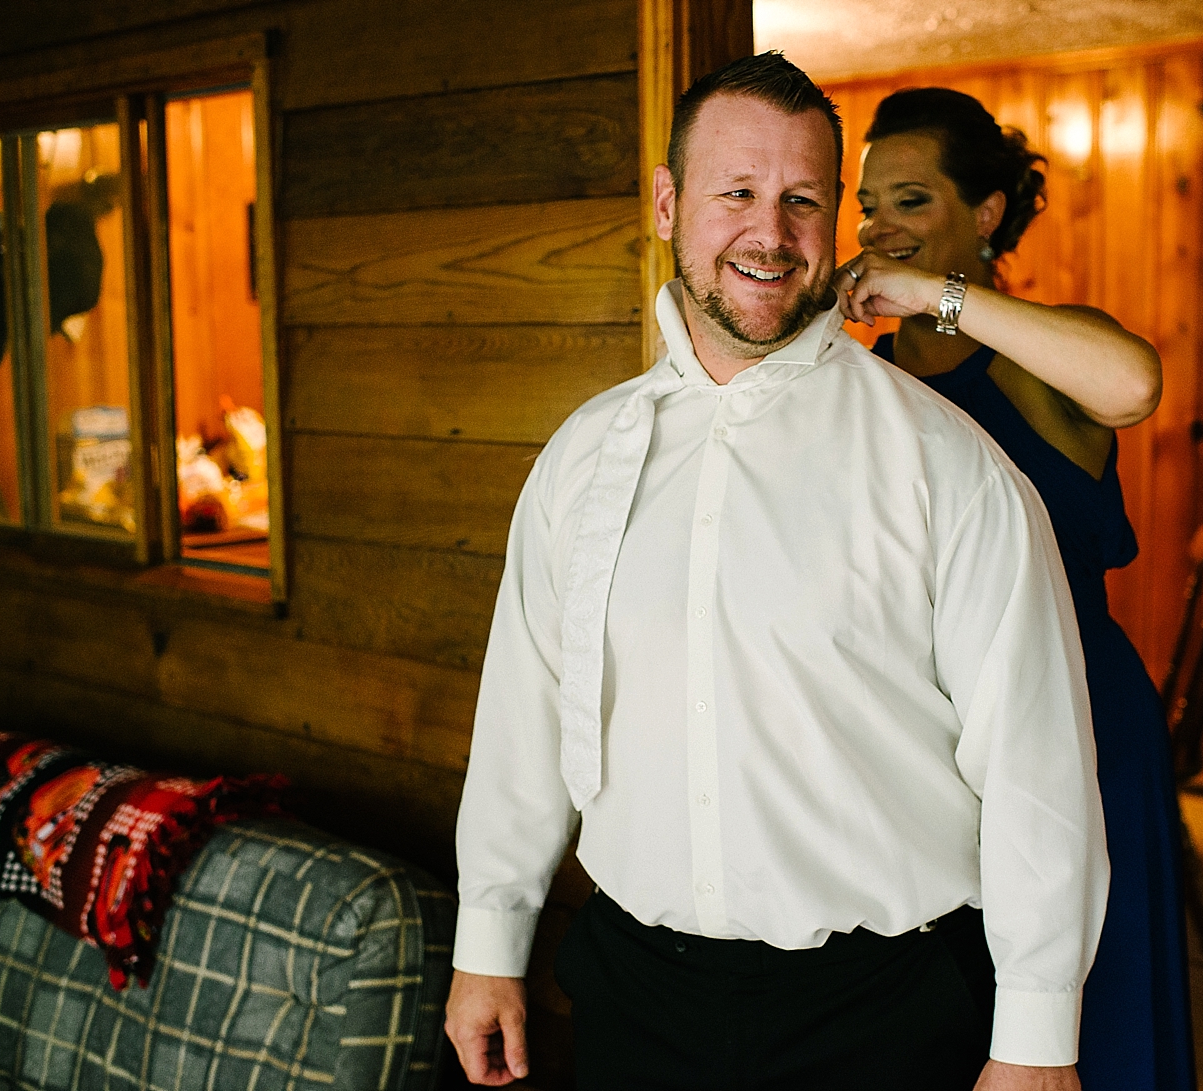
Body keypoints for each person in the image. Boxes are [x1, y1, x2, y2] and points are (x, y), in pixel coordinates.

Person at [446, 53, 1108, 1091]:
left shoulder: (947, 465)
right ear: (669, 203)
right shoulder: (581, 453)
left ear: (832, 217)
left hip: (879, 1014)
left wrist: (1034, 1036)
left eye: (800, 198)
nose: (769, 231)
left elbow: (1035, 764)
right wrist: (487, 939)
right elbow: (523, 706)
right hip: (632, 994)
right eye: (735, 192)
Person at [837, 86, 1195, 1091]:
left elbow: (1131, 384)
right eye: (867, 204)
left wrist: (928, 297)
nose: (877, 225)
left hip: (1080, 720)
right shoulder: (857, 377)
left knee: (1093, 1005)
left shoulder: (1035, 357)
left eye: (909, 199)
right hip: (927, 737)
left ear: (984, 213)